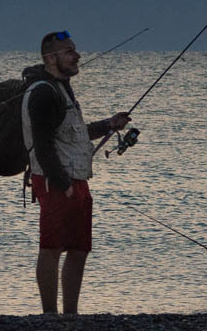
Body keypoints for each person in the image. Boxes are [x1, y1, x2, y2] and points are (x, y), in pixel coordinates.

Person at [20, 30, 131, 316]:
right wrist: (61, 182)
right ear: (50, 58)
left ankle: (71, 314)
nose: (77, 55)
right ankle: (49, 315)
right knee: (52, 247)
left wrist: (109, 125)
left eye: (75, 49)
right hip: (55, 181)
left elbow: (75, 134)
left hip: (77, 178)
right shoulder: (43, 92)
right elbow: (42, 144)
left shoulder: (62, 88)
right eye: (69, 51)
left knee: (79, 248)